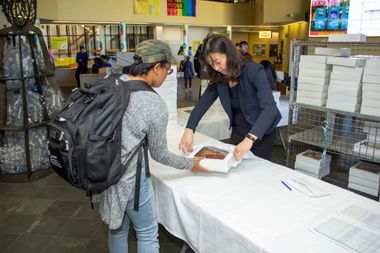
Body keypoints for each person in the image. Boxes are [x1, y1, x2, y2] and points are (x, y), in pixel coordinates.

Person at [97, 39, 209, 253]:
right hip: (130, 177)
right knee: (147, 233)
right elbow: (159, 154)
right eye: (167, 70)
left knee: (117, 230)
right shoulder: (153, 102)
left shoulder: (115, 82)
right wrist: (191, 164)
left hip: (103, 169)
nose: (167, 76)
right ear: (157, 67)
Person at [179, 34, 281, 161]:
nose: (216, 67)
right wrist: (189, 130)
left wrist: (250, 139)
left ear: (229, 54)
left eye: (218, 62)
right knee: (234, 165)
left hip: (261, 130)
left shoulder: (254, 71)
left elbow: (270, 109)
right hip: (239, 130)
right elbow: (202, 104)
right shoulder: (219, 77)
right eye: (211, 64)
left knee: (257, 169)